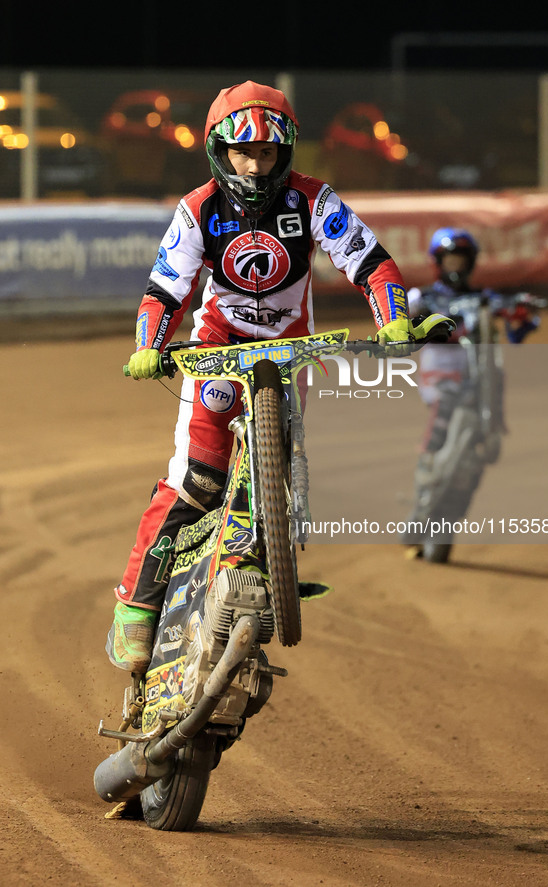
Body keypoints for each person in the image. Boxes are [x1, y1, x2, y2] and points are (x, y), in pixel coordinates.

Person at [105, 80, 447, 672]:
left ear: (285, 152)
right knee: (197, 477)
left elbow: (367, 259)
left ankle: (265, 562)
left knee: (282, 469)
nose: (254, 166)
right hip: (217, 343)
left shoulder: (314, 201)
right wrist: (148, 346)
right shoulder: (197, 210)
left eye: (266, 154)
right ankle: (134, 607)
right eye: (242, 153)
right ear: (219, 150)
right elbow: (166, 289)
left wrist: (394, 319)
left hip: (290, 348)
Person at [400, 226, 544, 541]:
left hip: (479, 377)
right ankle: (424, 485)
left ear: (471, 262)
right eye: (450, 261)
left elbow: (511, 315)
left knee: (480, 447)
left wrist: (523, 310)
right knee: (443, 410)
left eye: (461, 261)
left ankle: (450, 513)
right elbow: (402, 323)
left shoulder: (482, 298)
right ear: (438, 262)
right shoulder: (422, 296)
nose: (456, 267)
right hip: (440, 377)